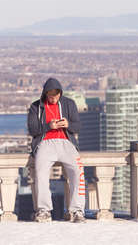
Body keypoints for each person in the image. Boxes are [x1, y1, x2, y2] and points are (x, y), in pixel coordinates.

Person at [27, 78, 85, 223]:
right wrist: (49, 126)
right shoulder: (36, 107)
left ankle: (77, 210)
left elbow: (77, 127)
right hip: (45, 143)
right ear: (45, 94)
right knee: (40, 173)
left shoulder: (69, 104)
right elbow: (32, 129)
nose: (54, 98)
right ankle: (44, 210)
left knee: (78, 172)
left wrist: (68, 125)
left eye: (56, 95)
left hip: (67, 142)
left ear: (60, 93)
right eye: (51, 96)